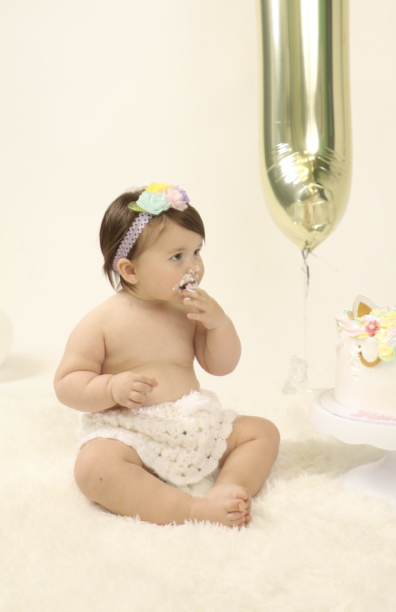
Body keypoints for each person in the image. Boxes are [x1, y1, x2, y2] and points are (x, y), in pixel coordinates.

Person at [54, 183, 280, 528]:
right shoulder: (101, 322)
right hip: (131, 429)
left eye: (197, 252)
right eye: (177, 257)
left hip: (193, 423)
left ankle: (230, 488)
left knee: (262, 432)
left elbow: (221, 365)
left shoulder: (188, 310)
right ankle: (188, 509)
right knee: (94, 468)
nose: (194, 267)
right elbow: (67, 383)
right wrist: (111, 388)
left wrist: (219, 324)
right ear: (130, 271)